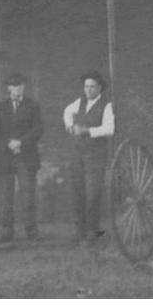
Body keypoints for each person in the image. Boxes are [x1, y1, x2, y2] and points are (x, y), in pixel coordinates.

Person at [62, 71, 115, 243]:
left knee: (92, 194)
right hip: (78, 153)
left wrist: (87, 131)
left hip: (96, 154)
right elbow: (67, 112)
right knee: (77, 191)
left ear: (99, 88)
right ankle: (80, 233)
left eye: (92, 86)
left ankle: (94, 233)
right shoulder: (80, 102)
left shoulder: (107, 106)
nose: (88, 90)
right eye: (86, 86)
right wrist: (70, 126)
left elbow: (109, 129)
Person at [0, 72, 44, 242]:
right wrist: (8, 143)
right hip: (6, 157)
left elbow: (38, 129)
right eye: (14, 86)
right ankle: (6, 231)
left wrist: (20, 142)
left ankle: (31, 231)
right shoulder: (0, 107)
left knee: (28, 194)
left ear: (24, 87)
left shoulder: (33, 106)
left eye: (20, 85)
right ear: (8, 88)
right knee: (6, 196)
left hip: (26, 156)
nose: (17, 89)